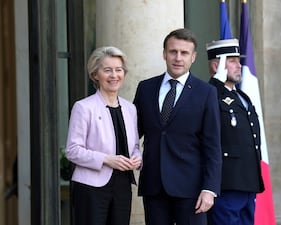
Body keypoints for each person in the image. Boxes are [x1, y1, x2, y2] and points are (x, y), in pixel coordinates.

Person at [133, 28, 222, 225]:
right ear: (164, 54)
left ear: (193, 57)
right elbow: (133, 133)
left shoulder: (206, 92)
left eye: (184, 53)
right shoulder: (145, 88)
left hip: (192, 189)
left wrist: (209, 189)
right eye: (173, 52)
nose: (178, 58)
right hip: (154, 185)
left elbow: (213, 145)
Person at [65, 46, 142, 225]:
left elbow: (135, 146)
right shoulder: (84, 107)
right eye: (107, 70)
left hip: (123, 185)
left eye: (118, 70)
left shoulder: (130, 108)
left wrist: (137, 158)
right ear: (95, 74)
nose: (114, 75)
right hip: (91, 187)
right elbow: (72, 150)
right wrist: (107, 159)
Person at [206, 39, 265, 225]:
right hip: (228, 183)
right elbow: (203, 106)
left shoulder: (242, 96)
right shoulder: (210, 93)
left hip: (248, 182)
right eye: (232, 61)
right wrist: (216, 81)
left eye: (238, 60)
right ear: (217, 65)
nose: (239, 65)